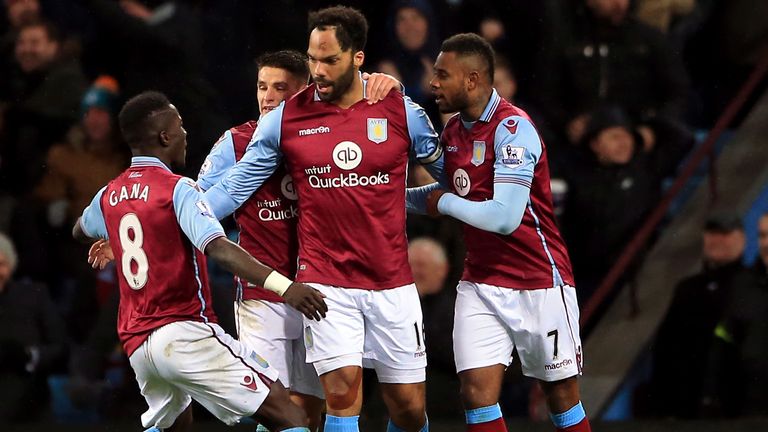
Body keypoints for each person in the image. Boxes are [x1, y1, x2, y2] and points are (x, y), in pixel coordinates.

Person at [203, 6, 443, 432]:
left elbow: (452, 177)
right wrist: (172, 219)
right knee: (340, 395)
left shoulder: (400, 110)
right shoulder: (285, 119)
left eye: (329, 60)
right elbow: (234, 189)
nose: (317, 70)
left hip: (391, 280)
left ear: (357, 58)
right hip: (325, 280)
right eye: (313, 58)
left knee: (407, 408)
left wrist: (412, 200)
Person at [72, 91, 328, 432]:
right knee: (289, 413)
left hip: (137, 345)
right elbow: (220, 249)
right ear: (164, 136)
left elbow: (79, 230)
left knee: (175, 426)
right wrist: (287, 287)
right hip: (183, 331)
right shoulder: (178, 189)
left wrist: (117, 240)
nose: (185, 133)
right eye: (179, 126)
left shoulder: (109, 194)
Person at [408, 33, 591, 431]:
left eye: (443, 75)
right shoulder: (455, 131)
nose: (433, 83)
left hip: (539, 281)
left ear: (472, 79)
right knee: (475, 391)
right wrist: (388, 197)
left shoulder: (514, 130)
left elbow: (504, 218)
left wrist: (442, 203)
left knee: (561, 395)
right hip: (481, 282)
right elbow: (450, 191)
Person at [650, 212, 748, 418]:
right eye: (712, 233)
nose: (717, 239)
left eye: (725, 233)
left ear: (741, 239)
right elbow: (666, 348)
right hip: (688, 404)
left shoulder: (753, 287)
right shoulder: (688, 288)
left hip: (739, 405)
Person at [0, 231, 68, 423]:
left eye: (1, 265)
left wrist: (29, 356)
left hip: (30, 400)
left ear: (11, 265)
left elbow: (59, 345)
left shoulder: (35, 296)